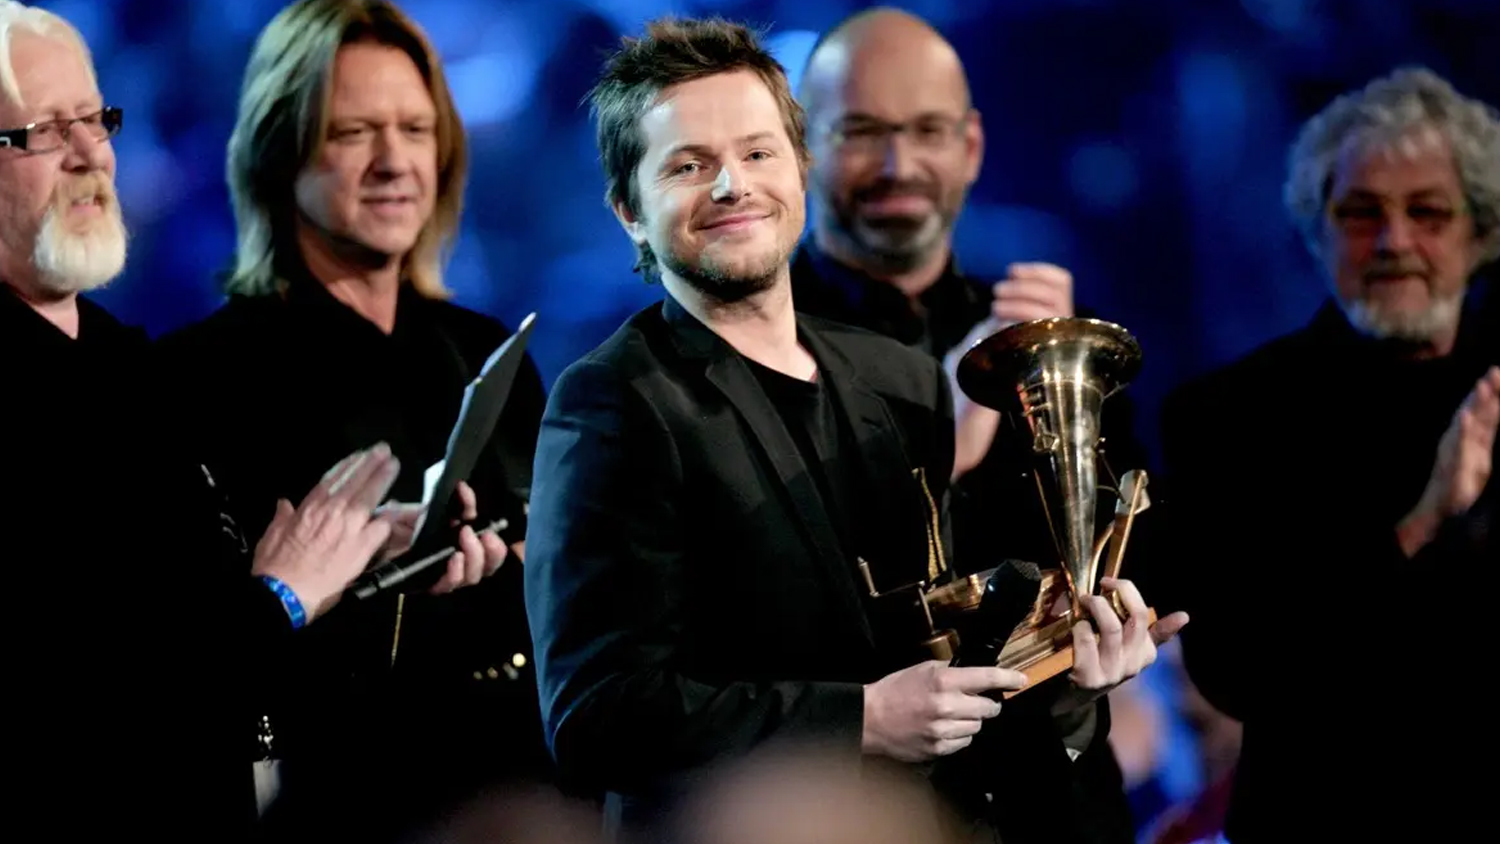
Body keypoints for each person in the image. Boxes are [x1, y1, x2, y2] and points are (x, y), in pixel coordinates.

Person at [522, 16, 1188, 844]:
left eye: (758, 153)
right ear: (629, 210)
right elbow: (594, 718)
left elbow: (941, 667)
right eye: (688, 165)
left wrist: (1070, 682)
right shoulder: (612, 401)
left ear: (800, 168)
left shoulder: (900, 379)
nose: (732, 186)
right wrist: (860, 720)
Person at [0, 2, 432, 837]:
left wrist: (353, 565)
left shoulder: (124, 358)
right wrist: (282, 596)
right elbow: (99, 699)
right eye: (46, 131)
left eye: (95, 118)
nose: (91, 153)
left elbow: (195, 622)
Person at [155, 1, 550, 840]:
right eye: (353, 132)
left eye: (415, 129)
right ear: (280, 151)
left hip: (518, 795)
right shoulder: (197, 378)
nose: (393, 161)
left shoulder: (490, 353)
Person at [789, 10, 1157, 841]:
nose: (899, 165)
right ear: (805, 148)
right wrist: (940, 428)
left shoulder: (1047, 327)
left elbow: (1143, 557)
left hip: (1054, 811)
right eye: (863, 132)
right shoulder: (754, 348)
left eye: (927, 131)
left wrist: (1072, 405)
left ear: (973, 146)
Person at [1159, 66, 1499, 841]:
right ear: (1319, 232)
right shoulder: (1229, 416)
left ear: (1479, 233)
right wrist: (1415, 526)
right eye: (1360, 213)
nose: (1394, 242)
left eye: (1427, 212)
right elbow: (1238, 669)